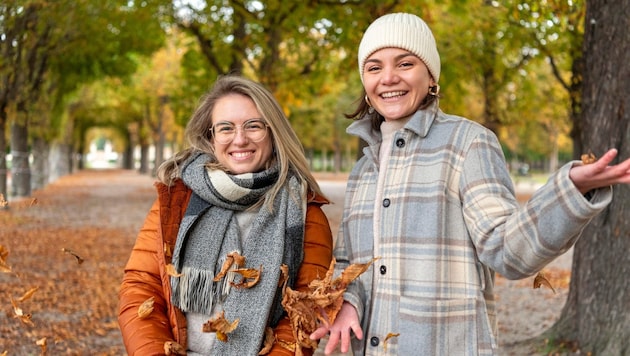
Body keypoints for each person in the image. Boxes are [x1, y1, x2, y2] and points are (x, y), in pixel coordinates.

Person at [309, 12, 630, 355]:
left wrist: (567, 192)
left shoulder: (468, 143)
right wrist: (348, 303)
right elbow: (349, 265)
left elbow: (507, 251)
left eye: (404, 64)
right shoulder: (363, 169)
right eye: (374, 68)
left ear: (431, 76)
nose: (388, 78)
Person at [118, 75, 333, 355]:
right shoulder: (177, 199)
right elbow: (140, 288)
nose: (239, 139)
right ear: (211, 136)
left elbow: (306, 309)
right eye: (226, 128)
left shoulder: (305, 211)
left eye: (253, 126)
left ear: (273, 132)